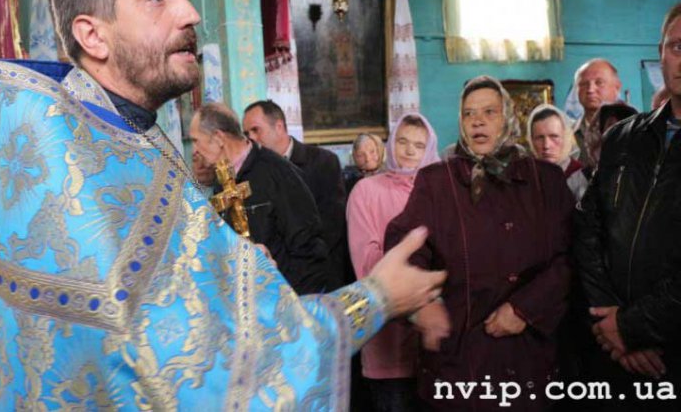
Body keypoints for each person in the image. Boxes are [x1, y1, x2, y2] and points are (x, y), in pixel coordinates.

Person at [0, 0, 446, 410]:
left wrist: (235, 274)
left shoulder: (111, 136)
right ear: (93, 35)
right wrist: (375, 299)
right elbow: (201, 375)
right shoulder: (75, 181)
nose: (190, 13)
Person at [385, 76, 575, 411]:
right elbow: (405, 249)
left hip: (530, 354)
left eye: (490, 112)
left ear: (508, 118)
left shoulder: (545, 180)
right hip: (460, 358)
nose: (478, 121)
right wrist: (422, 305)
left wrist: (525, 308)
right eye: (469, 113)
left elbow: (570, 256)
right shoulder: (437, 182)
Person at [574, 3, 681, 410]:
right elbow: (587, 228)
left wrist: (630, 327)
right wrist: (610, 321)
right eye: (677, 46)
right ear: (661, 53)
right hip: (612, 354)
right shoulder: (623, 137)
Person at [347, 112, 440, 411]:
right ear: (390, 144)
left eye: (419, 145)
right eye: (402, 141)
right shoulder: (366, 191)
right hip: (389, 342)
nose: (410, 150)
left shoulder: (441, 191)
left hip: (439, 345)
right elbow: (368, 264)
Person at [189, 102, 328, 295]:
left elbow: (308, 249)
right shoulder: (221, 181)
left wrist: (290, 303)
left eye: (196, 141)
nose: (194, 150)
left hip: (284, 298)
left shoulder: (277, 172)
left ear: (219, 138)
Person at [243, 100, 349, 290]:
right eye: (246, 134)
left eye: (256, 130)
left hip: (320, 277)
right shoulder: (252, 174)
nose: (251, 138)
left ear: (279, 127)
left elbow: (332, 225)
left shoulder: (323, 162)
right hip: (276, 279)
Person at [527, 104, 589, 201]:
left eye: (554, 136)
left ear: (565, 137)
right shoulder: (525, 175)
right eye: (539, 138)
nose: (546, 145)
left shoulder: (579, 176)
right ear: (531, 140)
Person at [573, 58, 622, 169]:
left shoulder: (635, 131)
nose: (590, 90)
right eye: (584, 84)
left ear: (617, 87)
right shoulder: (566, 135)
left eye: (599, 83)